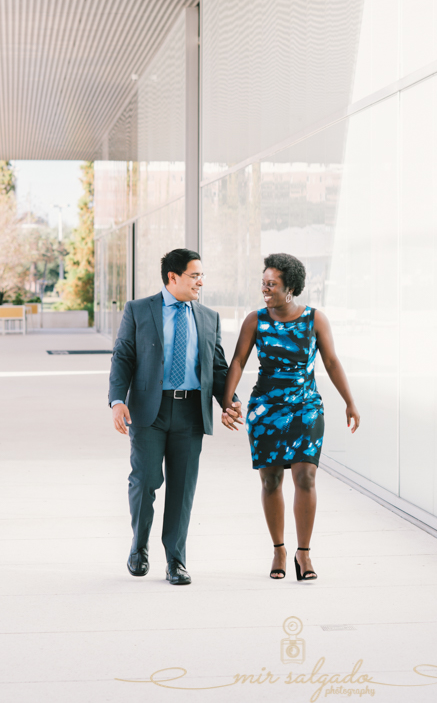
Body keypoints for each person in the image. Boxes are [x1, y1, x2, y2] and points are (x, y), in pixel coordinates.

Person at [221, 252, 360, 581]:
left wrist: (349, 402)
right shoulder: (255, 320)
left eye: (272, 284)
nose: (266, 289)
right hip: (266, 409)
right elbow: (238, 361)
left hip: (306, 407)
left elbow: (332, 362)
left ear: (291, 288)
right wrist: (228, 400)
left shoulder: (315, 320)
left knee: (306, 478)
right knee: (271, 481)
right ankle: (279, 549)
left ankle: (304, 553)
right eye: (263, 283)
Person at [108, 248, 241, 585]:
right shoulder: (139, 311)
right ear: (173, 277)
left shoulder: (209, 317)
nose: (201, 281)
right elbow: (123, 357)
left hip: (190, 412)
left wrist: (230, 401)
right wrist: (116, 401)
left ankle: (176, 561)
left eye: (202, 275)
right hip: (149, 411)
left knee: (182, 489)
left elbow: (218, 368)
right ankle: (139, 547)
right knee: (146, 480)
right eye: (195, 275)